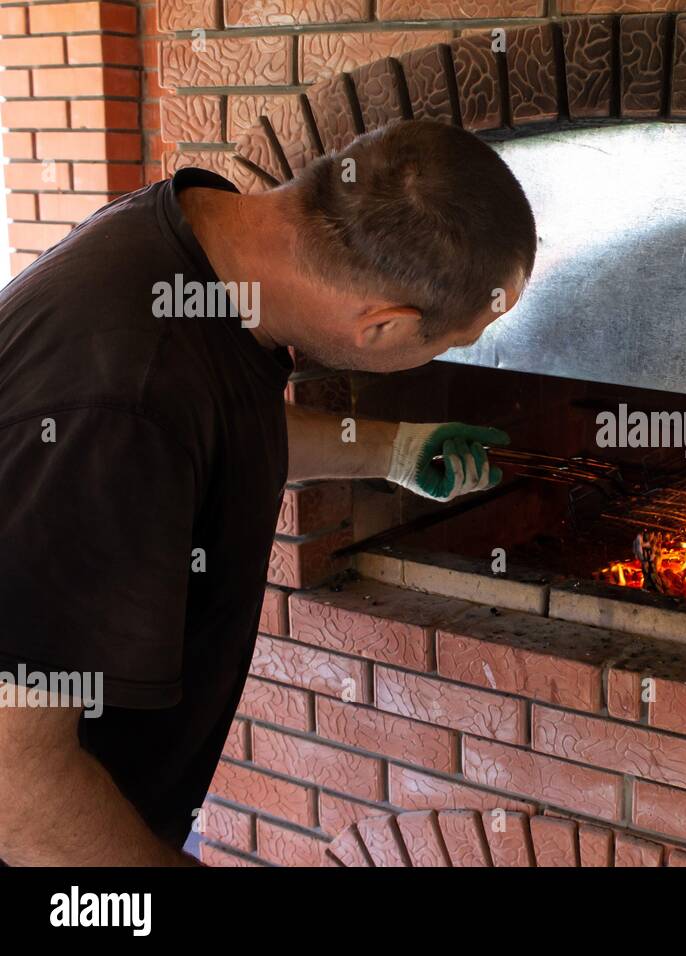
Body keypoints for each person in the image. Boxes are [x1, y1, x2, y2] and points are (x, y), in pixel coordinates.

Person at [0, 119, 536, 865]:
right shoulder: (119, 407)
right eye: (447, 344)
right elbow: (17, 784)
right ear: (383, 326)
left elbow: (210, 426)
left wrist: (393, 448)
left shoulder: (202, 243)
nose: (441, 356)